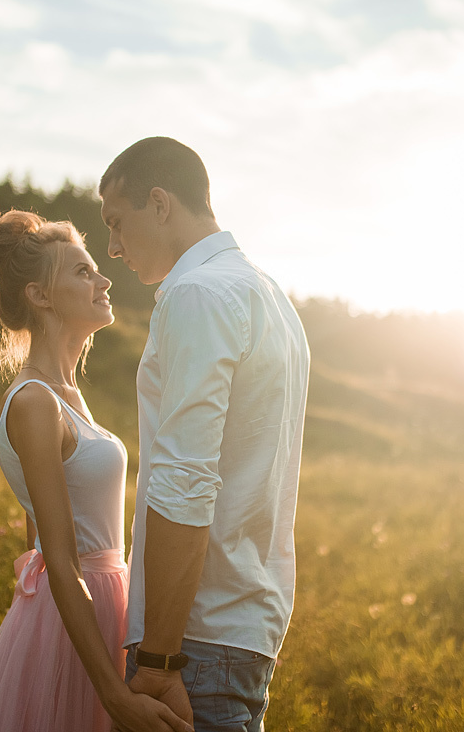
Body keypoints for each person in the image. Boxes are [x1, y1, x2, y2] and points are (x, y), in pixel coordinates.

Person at [99, 137, 310, 732]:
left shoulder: (198, 295)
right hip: (245, 629)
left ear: (160, 204)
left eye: (117, 223)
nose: (112, 248)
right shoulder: (271, 297)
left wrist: (161, 661)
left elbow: (185, 481)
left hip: (193, 642)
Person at [0, 210, 190, 732]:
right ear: (40, 296)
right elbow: (60, 560)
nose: (104, 279)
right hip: (75, 623)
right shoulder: (34, 402)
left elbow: (37, 529)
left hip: (104, 608)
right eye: (82, 272)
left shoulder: (69, 398)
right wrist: (113, 695)